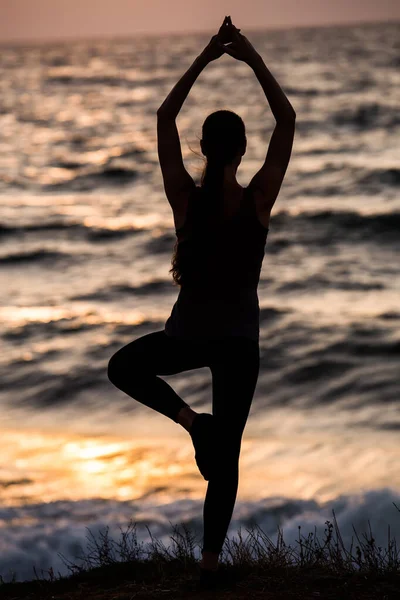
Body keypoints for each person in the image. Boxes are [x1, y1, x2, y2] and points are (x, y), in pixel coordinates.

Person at [107, 15, 296, 590]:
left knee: (123, 367)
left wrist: (206, 57)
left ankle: (192, 423)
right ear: (240, 150)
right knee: (229, 454)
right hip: (239, 342)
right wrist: (251, 57)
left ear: (205, 148)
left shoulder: (184, 200)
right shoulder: (258, 201)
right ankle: (210, 567)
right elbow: (286, 119)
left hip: (188, 335)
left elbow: (165, 117)